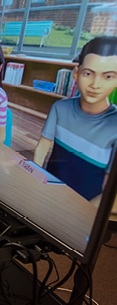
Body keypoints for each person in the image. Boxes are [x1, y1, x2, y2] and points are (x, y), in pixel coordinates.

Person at [34, 36, 117, 201]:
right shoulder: (60, 108)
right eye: (88, 73)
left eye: (108, 76)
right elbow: (42, 148)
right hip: (47, 196)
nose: (95, 84)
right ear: (76, 74)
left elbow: (109, 193)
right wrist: (34, 183)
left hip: (83, 210)